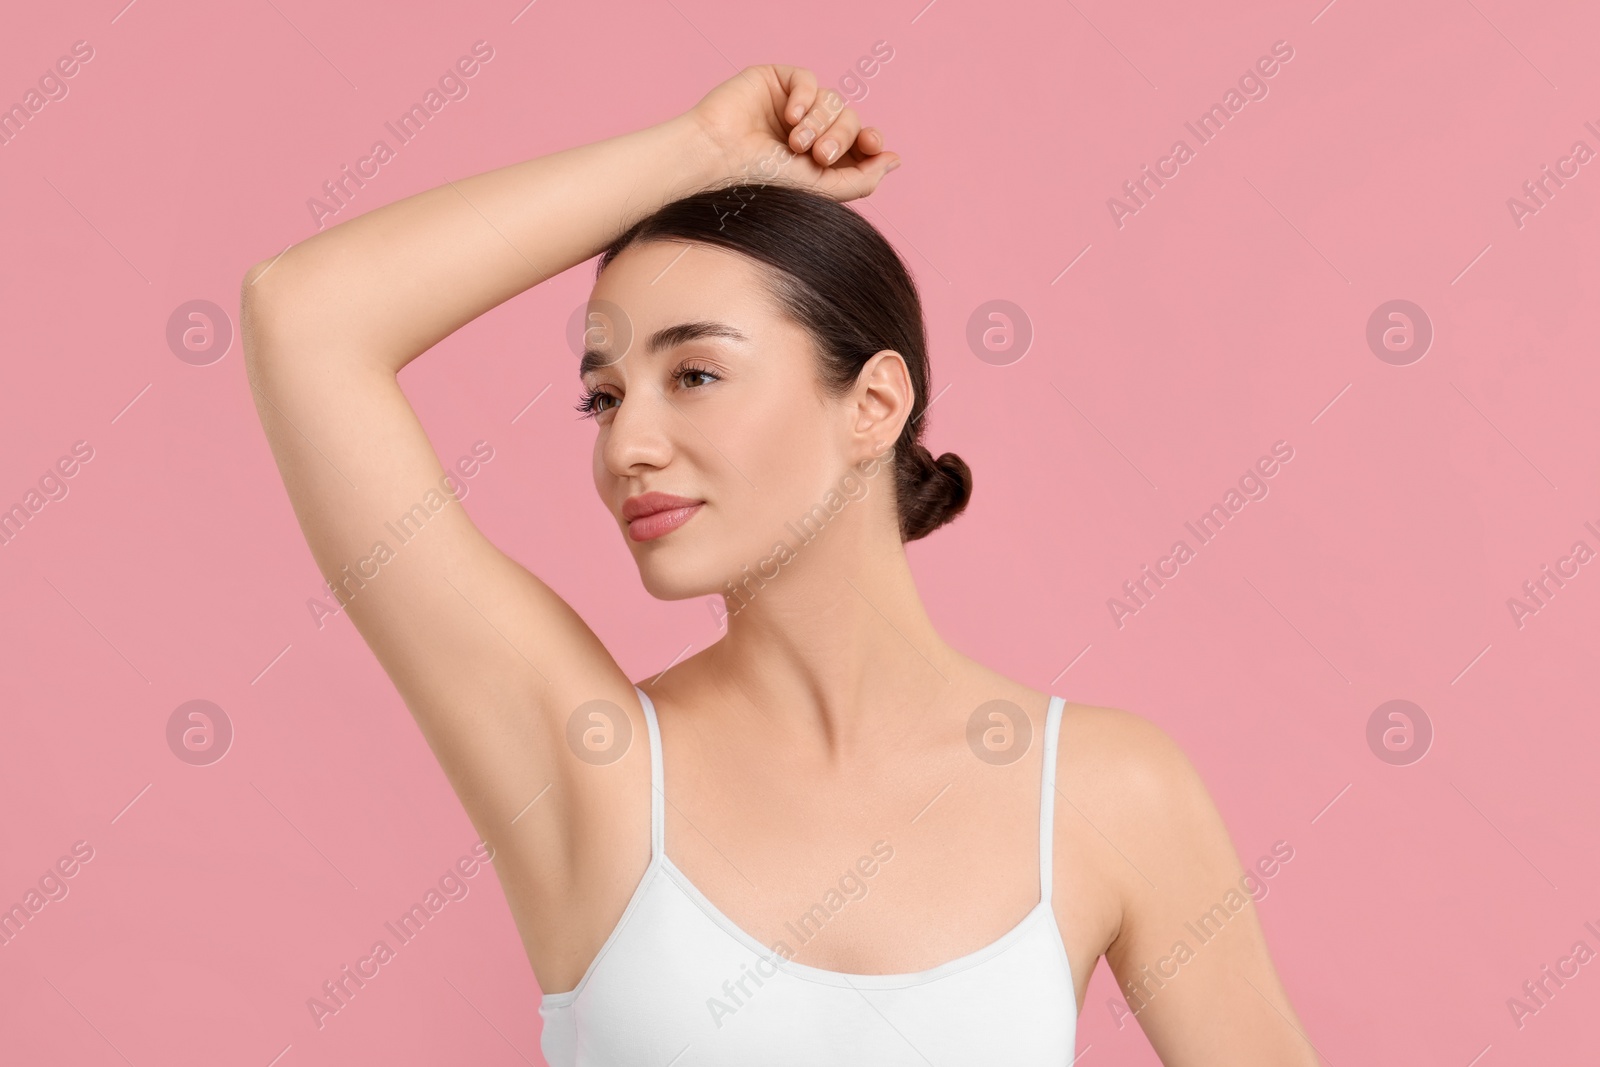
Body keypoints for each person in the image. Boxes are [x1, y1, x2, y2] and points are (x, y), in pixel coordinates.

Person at [242, 63, 1318, 1065]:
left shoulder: (1108, 792)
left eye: (695, 372)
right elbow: (306, 317)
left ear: (874, 404)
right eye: (604, 395)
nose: (627, 445)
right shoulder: (590, 766)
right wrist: (700, 149)